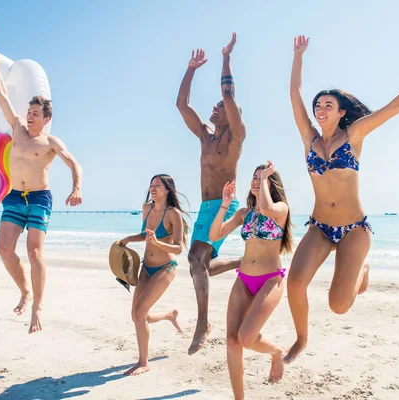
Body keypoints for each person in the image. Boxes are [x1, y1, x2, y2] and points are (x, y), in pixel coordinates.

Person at [284, 35, 399, 363]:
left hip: (353, 229)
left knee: (339, 306)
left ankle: (362, 270)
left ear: (341, 113)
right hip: (320, 227)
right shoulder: (308, 138)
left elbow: (396, 106)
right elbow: (294, 93)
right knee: (294, 283)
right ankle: (301, 339)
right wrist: (298, 56)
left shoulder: (354, 135)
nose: (321, 109)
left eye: (328, 105)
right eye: (318, 105)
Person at [0, 55, 83, 334]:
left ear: (47, 118)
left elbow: (73, 163)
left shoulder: (50, 142)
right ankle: (25, 291)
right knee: (5, 249)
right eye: (29, 111)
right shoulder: (17, 129)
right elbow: (2, 95)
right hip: (15, 196)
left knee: (34, 251)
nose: (29, 116)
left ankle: (37, 307)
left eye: (35, 113)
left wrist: (76, 187)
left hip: (40, 198)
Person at [176, 32, 246, 354]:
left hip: (225, 204)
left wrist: (225, 58)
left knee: (194, 258)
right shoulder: (205, 135)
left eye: (221, 107)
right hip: (206, 206)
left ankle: (202, 324)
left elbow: (229, 94)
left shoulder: (235, 139)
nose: (215, 108)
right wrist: (190, 69)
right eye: (216, 106)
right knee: (200, 264)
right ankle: (241, 262)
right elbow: (182, 105)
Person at [209, 162, 293, 398]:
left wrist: (265, 178)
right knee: (232, 342)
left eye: (262, 177)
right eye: (254, 177)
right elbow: (215, 235)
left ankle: (276, 352)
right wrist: (225, 204)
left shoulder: (280, 208)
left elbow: (266, 209)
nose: (256, 181)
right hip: (244, 279)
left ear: (271, 182)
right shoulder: (244, 213)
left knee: (246, 337)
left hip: (270, 280)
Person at [118, 174, 188, 376]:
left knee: (140, 313)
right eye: (151, 185)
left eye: (157, 185)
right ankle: (169, 315)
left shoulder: (173, 214)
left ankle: (143, 362)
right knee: (136, 315)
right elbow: (145, 234)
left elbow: (178, 248)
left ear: (167, 190)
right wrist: (129, 239)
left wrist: (157, 243)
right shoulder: (146, 208)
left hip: (165, 268)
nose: (153, 188)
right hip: (145, 267)